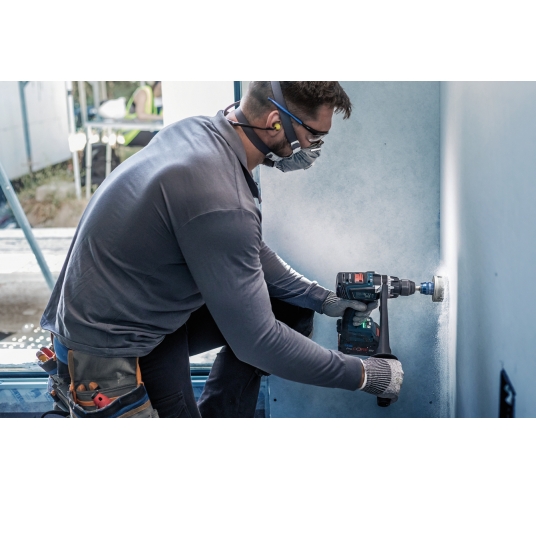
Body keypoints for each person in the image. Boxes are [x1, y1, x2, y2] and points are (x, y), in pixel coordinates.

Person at [41, 81, 404, 418]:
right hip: (104, 354)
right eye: (314, 135)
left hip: (136, 319)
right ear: (275, 123)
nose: (313, 148)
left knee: (290, 308)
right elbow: (259, 342)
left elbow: (246, 250)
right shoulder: (220, 197)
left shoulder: (199, 131)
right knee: (259, 338)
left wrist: (321, 299)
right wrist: (365, 374)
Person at [121, 81, 162, 147]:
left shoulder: (155, 98)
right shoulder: (143, 92)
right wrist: (161, 117)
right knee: (157, 139)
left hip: (143, 129)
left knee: (161, 135)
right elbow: (141, 115)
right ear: (160, 84)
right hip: (131, 133)